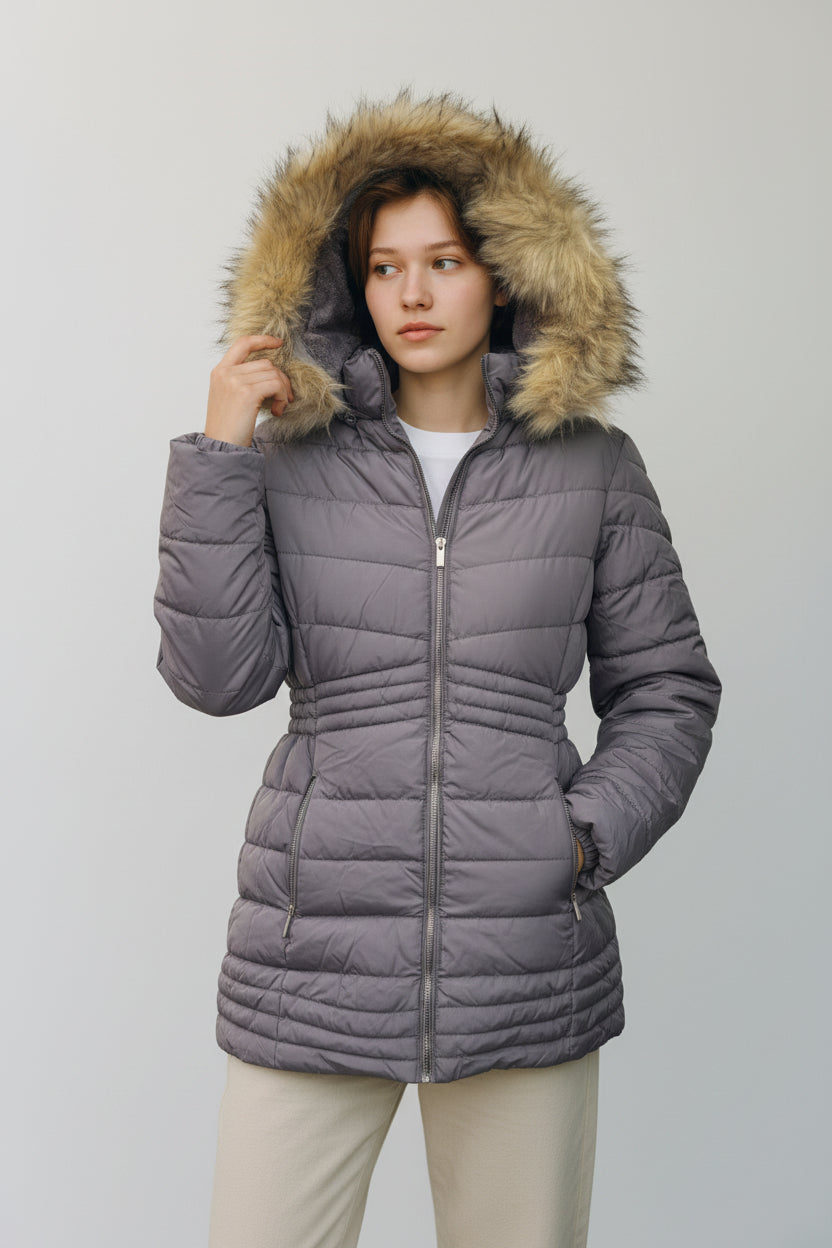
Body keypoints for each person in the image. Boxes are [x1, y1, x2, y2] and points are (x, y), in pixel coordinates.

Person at [153, 88, 722, 1248]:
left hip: (523, 960)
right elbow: (217, 677)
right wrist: (218, 452)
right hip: (311, 956)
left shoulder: (593, 468)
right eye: (384, 268)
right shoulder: (287, 462)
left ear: (501, 274)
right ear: (349, 285)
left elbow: (668, 690)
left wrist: (576, 840)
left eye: (444, 262)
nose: (412, 294)